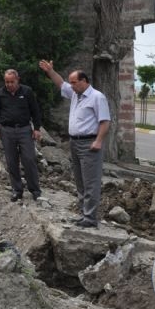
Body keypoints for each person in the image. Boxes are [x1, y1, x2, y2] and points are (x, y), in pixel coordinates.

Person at [39, 60, 110, 228]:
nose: (71, 86)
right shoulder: (75, 95)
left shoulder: (97, 97)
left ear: (84, 81)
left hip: (89, 143)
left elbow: (105, 121)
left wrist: (98, 141)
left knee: (90, 182)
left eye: (74, 82)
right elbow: (61, 84)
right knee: (79, 181)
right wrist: (50, 71)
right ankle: (84, 214)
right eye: (71, 82)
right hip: (75, 143)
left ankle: (91, 217)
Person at [0, 69, 42, 202]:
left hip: (24, 129)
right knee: (11, 161)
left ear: (17, 80)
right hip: (7, 131)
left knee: (29, 159)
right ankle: (17, 190)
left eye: (12, 82)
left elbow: (35, 110)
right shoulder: (0, 94)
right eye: (7, 82)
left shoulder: (27, 92)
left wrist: (36, 128)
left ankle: (35, 190)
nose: (9, 84)